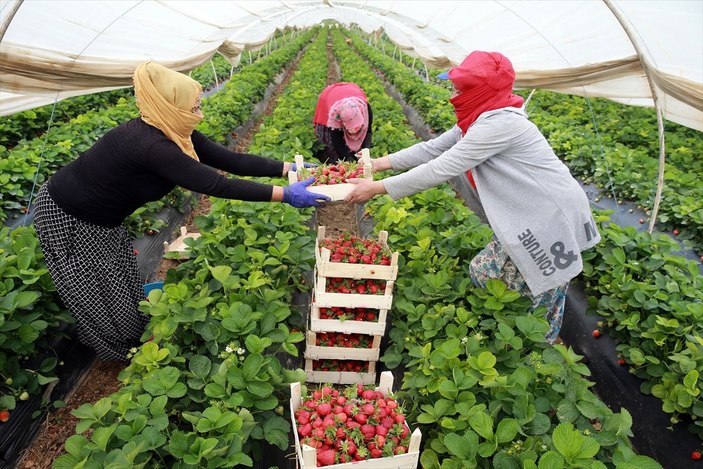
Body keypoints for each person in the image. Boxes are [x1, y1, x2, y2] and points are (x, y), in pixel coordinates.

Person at [32, 61, 329, 361]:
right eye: (194, 107)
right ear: (172, 105)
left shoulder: (173, 128)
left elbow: (230, 161)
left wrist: (290, 168)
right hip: (70, 215)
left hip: (104, 217)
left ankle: (133, 333)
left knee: (120, 275)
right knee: (97, 285)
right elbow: (216, 184)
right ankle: (122, 351)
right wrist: (286, 196)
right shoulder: (151, 145)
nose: (199, 114)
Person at [344, 51, 601, 343]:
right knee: (488, 273)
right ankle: (511, 335)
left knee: (538, 292)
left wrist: (377, 188)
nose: (454, 93)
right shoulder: (478, 119)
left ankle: (537, 353)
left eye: (460, 88)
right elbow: (432, 149)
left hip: (549, 216)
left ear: (478, 90)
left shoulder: (500, 123)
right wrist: (379, 163)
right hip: (528, 212)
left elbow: (442, 166)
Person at [312, 82, 373, 164]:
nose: (353, 131)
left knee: (357, 153)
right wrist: (347, 159)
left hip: (351, 91)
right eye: (349, 129)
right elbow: (336, 140)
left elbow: (368, 132)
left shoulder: (365, 110)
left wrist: (365, 150)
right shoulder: (335, 117)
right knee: (330, 151)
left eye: (356, 128)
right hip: (329, 96)